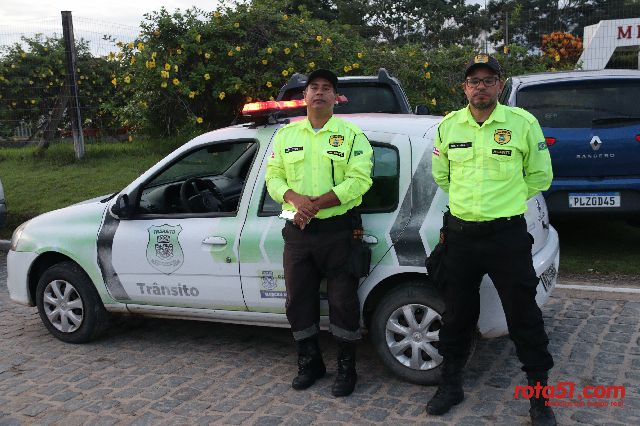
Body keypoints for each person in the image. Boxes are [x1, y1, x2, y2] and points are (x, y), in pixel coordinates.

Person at [429, 54, 556, 426]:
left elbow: (540, 176)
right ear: (465, 87)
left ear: (500, 84)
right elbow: (441, 176)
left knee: (524, 316)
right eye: (474, 81)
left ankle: (539, 399)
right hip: (460, 237)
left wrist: (505, 200)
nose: (480, 87)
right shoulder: (449, 126)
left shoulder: (522, 123)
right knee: (456, 316)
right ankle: (450, 385)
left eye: (488, 80)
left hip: (506, 237)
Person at [265, 68, 373, 397]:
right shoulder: (286, 136)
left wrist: (316, 204)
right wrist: (294, 199)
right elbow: (273, 177)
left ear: (336, 97)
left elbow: (360, 180)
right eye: (314, 87)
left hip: (339, 232)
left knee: (342, 302)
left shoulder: (352, 135)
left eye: (327, 88)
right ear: (305, 95)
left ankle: (347, 368)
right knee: (298, 300)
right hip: (298, 232)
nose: (320, 92)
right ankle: (310, 363)